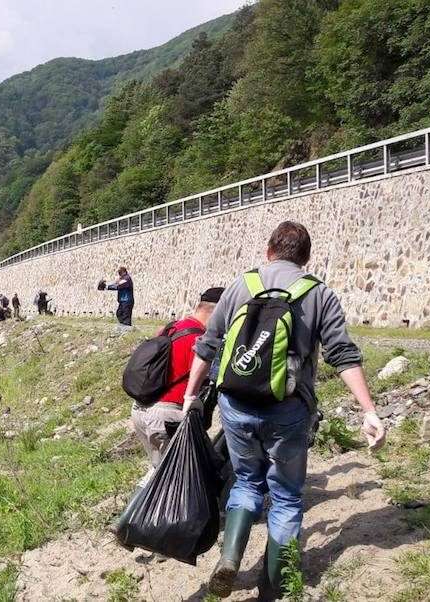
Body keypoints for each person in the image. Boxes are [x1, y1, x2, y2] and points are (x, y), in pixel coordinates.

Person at [181, 221, 386, 600]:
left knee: (245, 483)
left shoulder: (241, 285)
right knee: (287, 495)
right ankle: (272, 587)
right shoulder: (319, 294)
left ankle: (230, 558)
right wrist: (369, 410)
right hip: (289, 409)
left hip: (237, 405)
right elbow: (342, 354)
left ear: (268, 251)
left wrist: (191, 395)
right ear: (306, 258)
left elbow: (207, 346)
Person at [129, 287, 224, 489]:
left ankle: (136, 515)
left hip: (141, 410)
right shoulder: (200, 340)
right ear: (216, 313)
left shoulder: (171, 328)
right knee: (174, 480)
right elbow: (215, 379)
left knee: (160, 471)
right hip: (166, 417)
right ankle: (141, 517)